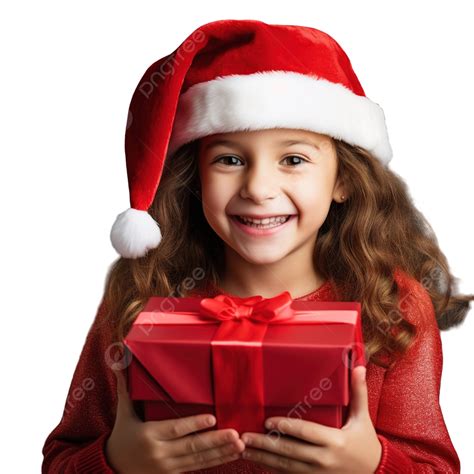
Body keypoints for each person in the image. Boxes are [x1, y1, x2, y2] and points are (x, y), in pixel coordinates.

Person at [42, 19, 472, 473]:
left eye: (293, 159)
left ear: (343, 180)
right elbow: (61, 460)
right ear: (195, 179)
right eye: (229, 159)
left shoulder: (395, 305)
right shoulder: (138, 297)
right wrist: (116, 461)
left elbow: (435, 466)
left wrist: (372, 464)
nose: (259, 187)